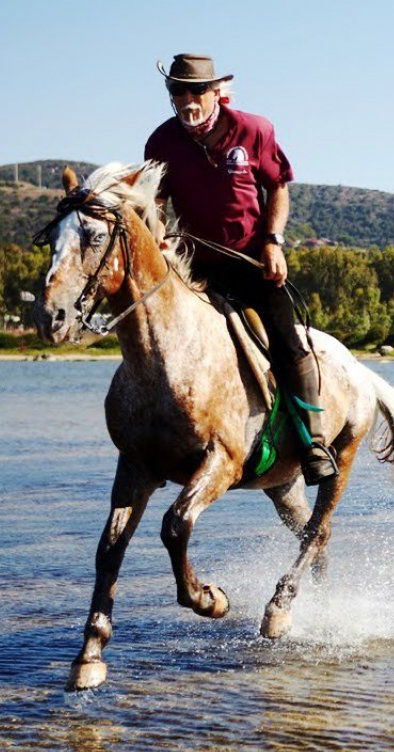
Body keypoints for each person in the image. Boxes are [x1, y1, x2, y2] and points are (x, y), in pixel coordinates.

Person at [144, 53, 337, 484]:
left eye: (196, 90)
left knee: (288, 345)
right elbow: (156, 201)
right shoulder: (160, 143)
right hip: (193, 268)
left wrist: (273, 243)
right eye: (178, 91)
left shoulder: (254, 130)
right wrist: (157, 229)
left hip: (253, 263)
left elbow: (278, 187)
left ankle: (314, 443)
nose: (187, 99)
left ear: (216, 92)